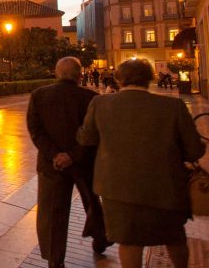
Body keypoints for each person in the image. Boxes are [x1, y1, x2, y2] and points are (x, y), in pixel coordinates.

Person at [77, 59, 205, 268]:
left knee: (129, 241)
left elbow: (86, 139)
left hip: (118, 188)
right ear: (149, 78)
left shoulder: (100, 104)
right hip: (166, 186)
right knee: (174, 237)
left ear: (119, 79)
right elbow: (194, 150)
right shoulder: (173, 106)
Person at [27, 57, 109, 268]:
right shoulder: (91, 98)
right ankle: (101, 239)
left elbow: (35, 130)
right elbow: (94, 133)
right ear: (80, 75)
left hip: (51, 164)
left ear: (56, 73)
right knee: (93, 204)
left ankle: (55, 260)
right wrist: (73, 155)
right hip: (84, 164)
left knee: (52, 213)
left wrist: (55, 155)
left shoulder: (39, 95)